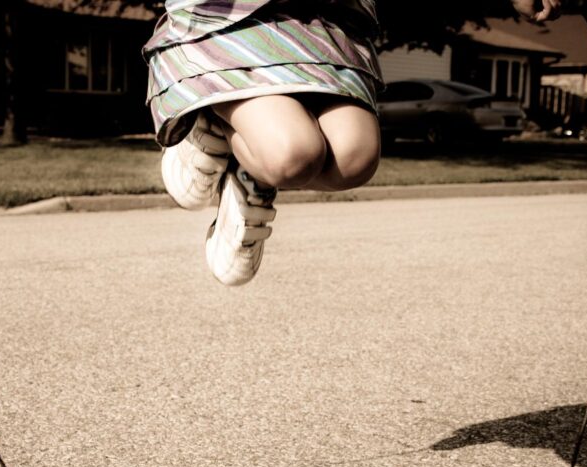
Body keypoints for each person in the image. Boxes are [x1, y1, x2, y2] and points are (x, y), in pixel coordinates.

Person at [144, 0, 563, 286]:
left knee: (354, 159)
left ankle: (242, 164)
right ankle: (212, 123)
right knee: (293, 155)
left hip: (327, 22)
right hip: (232, 15)